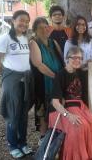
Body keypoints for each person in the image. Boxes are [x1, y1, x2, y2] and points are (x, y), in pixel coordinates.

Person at [49, 46, 92, 160]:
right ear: (66, 59)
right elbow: (55, 102)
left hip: (80, 106)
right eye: (74, 58)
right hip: (63, 109)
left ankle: (90, 155)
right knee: (79, 126)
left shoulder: (80, 73)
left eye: (80, 58)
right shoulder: (60, 75)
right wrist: (68, 116)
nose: (77, 60)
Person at [0, 10, 33, 158]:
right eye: (21, 20)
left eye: (27, 21)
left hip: (26, 80)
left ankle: (23, 143)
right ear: (13, 21)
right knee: (12, 113)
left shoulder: (24, 38)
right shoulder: (5, 39)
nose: (24, 23)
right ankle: (12, 145)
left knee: (23, 114)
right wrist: (3, 76)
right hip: (12, 80)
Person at [29, 17, 63, 145]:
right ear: (35, 30)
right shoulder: (34, 43)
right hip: (44, 82)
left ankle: (56, 132)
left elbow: (62, 59)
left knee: (56, 106)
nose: (44, 29)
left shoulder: (53, 42)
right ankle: (43, 137)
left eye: (46, 26)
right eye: (40, 28)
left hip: (57, 80)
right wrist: (56, 77)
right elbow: (39, 65)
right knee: (43, 108)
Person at [64, 15, 92, 103]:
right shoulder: (69, 42)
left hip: (88, 73)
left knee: (88, 96)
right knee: (77, 96)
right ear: (74, 26)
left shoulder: (91, 41)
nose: (81, 26)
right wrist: (80, 63)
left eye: (83, 24)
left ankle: (87, 115)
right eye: (78, 24)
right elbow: (66, 60)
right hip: (75, 73)